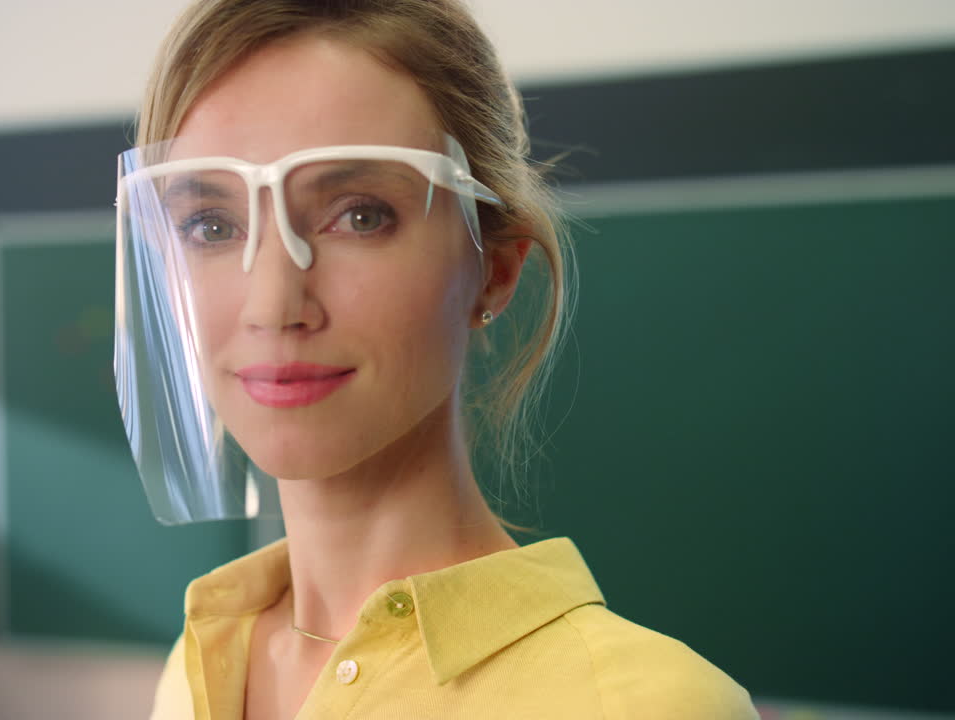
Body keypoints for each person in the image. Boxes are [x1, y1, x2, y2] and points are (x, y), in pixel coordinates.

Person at [111, 1, 759, 718]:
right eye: (211, 225)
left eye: (361, 214)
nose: (272, 304)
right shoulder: (199, 668)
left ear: (495, 268)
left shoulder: (645, 707)